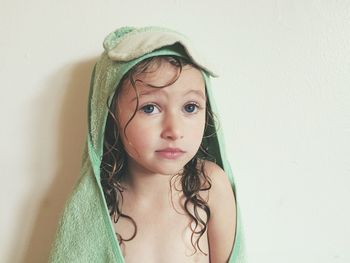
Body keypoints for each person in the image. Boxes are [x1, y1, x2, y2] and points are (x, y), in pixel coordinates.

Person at [49, 26, 245, 263]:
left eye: (190, 107)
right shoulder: (99, 207)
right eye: (149, 108)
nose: (174, 130)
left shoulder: (209, 186)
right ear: (110, 117)